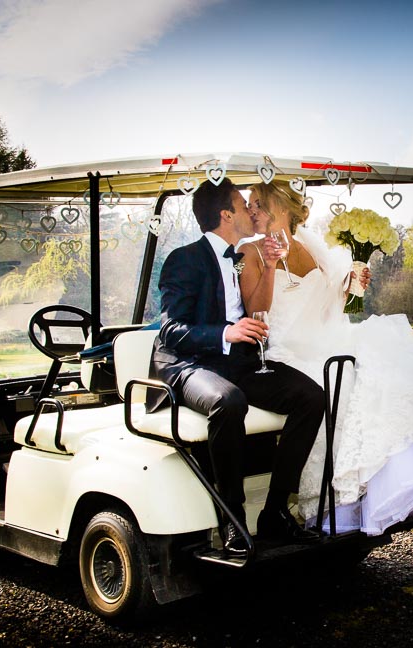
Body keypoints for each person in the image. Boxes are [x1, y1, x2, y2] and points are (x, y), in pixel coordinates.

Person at [243, 181, 413, 536]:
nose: (251, 210)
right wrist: (271, 264)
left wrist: (352, 284)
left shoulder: (310, 245)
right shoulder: (251, 251)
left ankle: (405, 482)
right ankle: (343, 498)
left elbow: (330, 305)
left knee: (394, 375)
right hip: (287, 350)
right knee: (343, 385)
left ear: (282, 207)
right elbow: (255, 312)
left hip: (327, 340)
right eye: (249, 204)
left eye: (257, 203)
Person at [147, 177, 327, 557]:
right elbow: (171, 330)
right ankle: (231, 518)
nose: (252, 210)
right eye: (244, 205)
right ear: (227, 215)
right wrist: (226, 333)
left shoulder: (242, 256)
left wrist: (271, 266)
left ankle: (276, 511)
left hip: (237, 360)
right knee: (229, 402)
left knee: (311, 396)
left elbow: (257, 306)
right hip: (189, 364)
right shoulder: (185, 259)